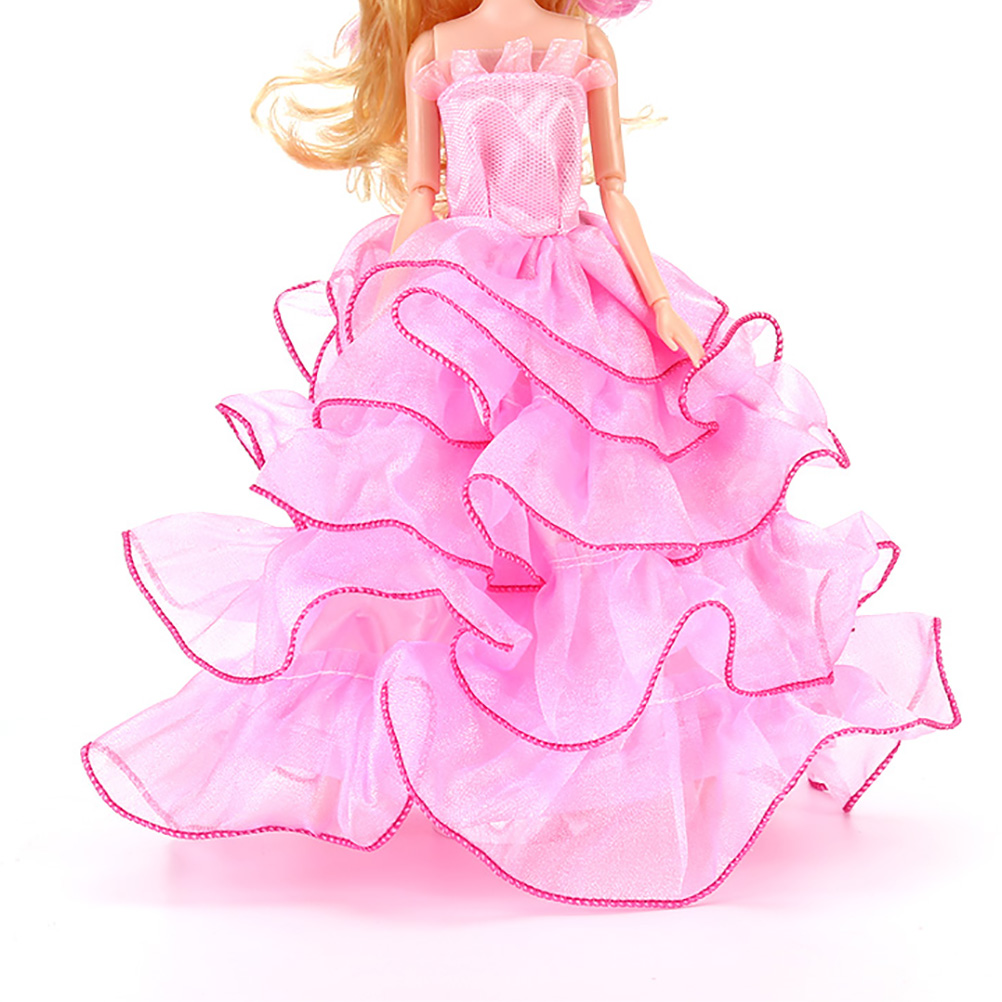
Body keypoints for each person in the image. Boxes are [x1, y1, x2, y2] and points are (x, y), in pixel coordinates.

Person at [80, 0, 960, 908]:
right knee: (443, 509)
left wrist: (659, 302)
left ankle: (606, 751)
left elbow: (614, 188)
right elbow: (421, 196)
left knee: (603, 509)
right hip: (461, 294)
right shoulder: (435, 52)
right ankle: (452, 750)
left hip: (577, 291)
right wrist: (386, 304)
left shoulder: (582, 46)